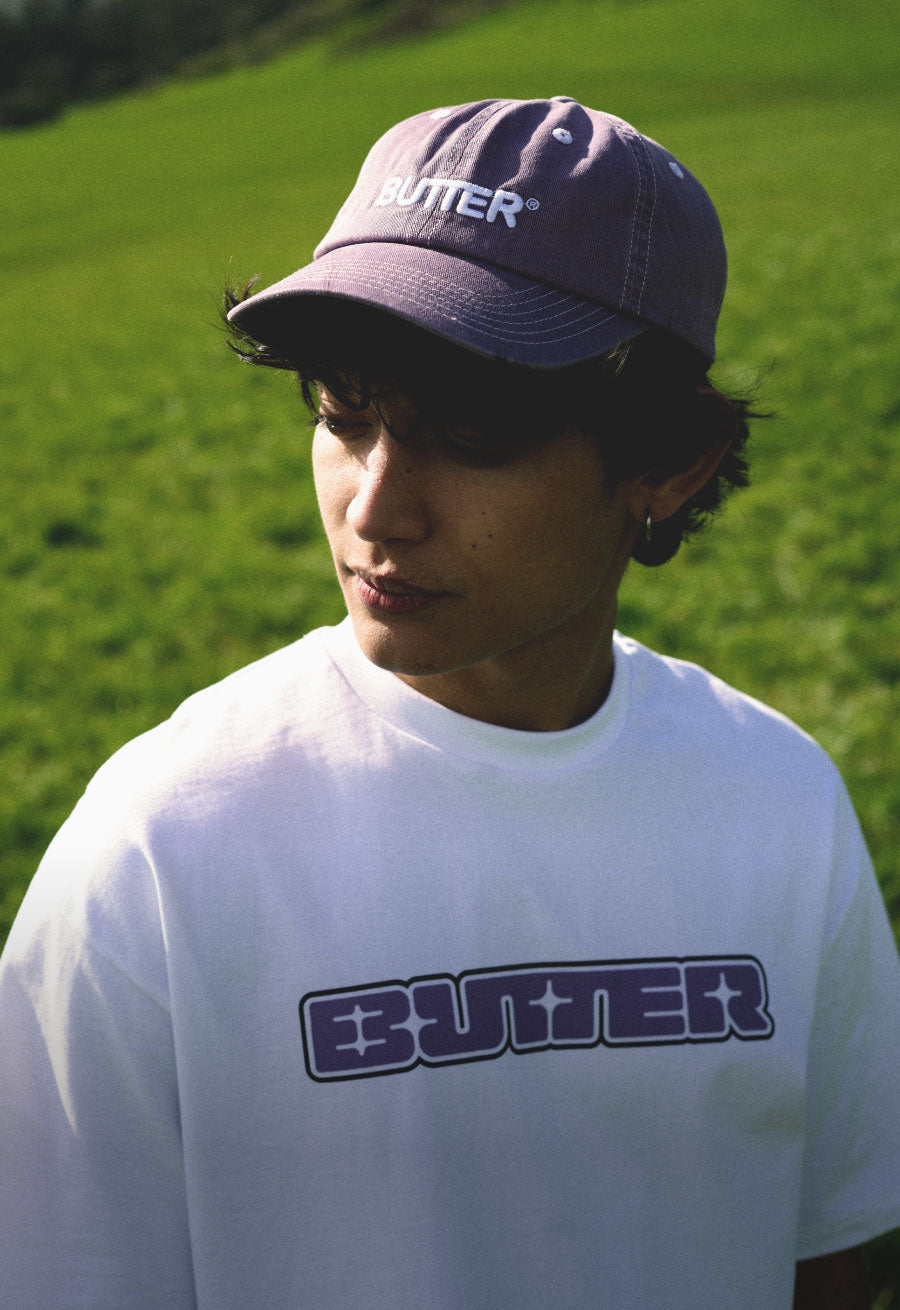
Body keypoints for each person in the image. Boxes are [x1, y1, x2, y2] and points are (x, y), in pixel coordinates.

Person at [1, 96, 898, 1310]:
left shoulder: (778, 801)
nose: (375, 508)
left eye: (470, 433)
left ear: (668, 462)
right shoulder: (160, 847)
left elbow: (824, 1254)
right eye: (341, 410)